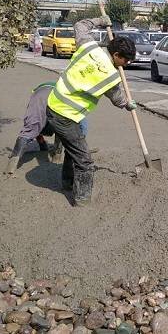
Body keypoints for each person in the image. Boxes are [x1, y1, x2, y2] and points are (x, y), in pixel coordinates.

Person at [45, 17, 137, 206]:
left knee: (73, 150)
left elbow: (80, 25)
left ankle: (67, 183)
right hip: (66, 115)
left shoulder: (89, 46)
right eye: (125, 60)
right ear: (117, 54)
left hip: (55, 103)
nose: (126, 64)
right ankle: (82, 200)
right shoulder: (110, 76)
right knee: (85, 162)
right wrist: (128, 105)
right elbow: (118, 99)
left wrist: (101, 20)